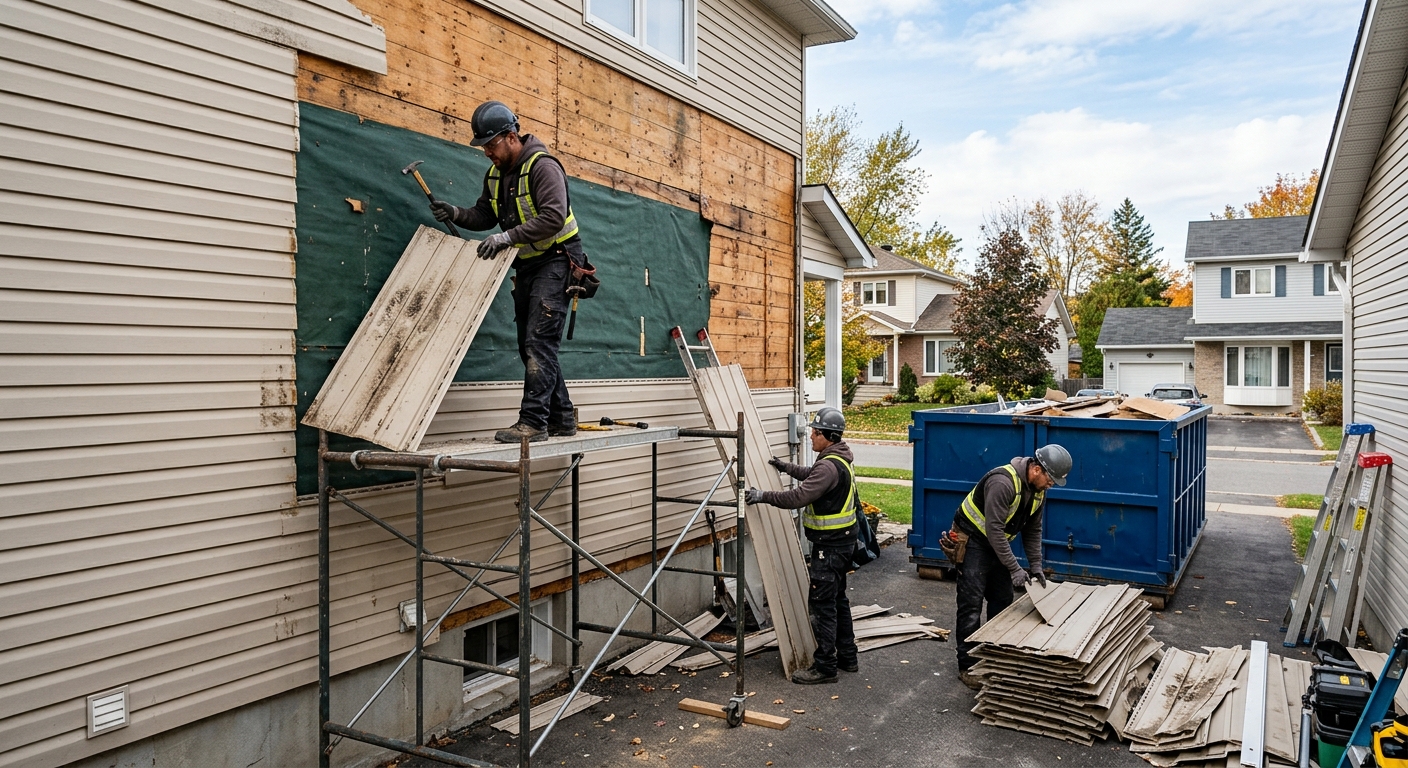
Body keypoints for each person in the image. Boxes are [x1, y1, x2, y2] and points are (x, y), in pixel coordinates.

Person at [429, 100, 582, 443]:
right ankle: (562, 419)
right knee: (529, 346)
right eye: (483, 147)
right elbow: (485, 215)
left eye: (492, 145)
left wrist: (505, 238)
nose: (487, 153)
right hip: (529, 263)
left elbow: (553, 218)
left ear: (511, 136)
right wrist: (454, 212)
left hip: (558, 259)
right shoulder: (495, 176)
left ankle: (533, 423)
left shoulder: (543, 167)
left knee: (538, 343)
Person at [743, 407, 859, 685]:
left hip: (829, 548)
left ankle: (826, 667)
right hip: (842, 545)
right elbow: (811, 474)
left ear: (828, 436)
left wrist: (761, 496)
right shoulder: (837, 459)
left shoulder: (829, 465)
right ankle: (848, 657)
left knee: (823, 606)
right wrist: (786, 467)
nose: (811, 437)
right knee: (838, 600)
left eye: (815, 433)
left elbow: (798, 498)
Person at [952, 443, 1072, 690]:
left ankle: (994, 657)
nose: (1052, 485)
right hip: (973, 540)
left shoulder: (1039, 490)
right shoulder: (1003, 482)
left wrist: (1035, 565)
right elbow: (993, 529)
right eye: (1051, 479)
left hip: (996, 544)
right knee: (971, 604)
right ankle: (968, 665)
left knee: (1002, 601)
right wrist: (1015, 568)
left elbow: (1033, 529)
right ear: (1037, 470)